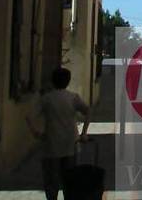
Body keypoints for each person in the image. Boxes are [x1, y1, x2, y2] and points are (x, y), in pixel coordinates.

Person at [34, 67, 90, 200]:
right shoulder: (73, 97)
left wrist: (36, 133)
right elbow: (88, 111)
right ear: (68, 81)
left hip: (51, 145)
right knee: (69, 179)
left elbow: (29, 116)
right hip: (70, 144)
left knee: (51, 181)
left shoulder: (46, 98)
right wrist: (84, 133)